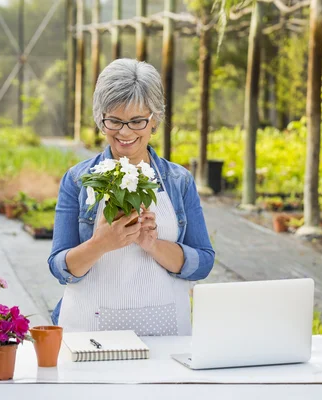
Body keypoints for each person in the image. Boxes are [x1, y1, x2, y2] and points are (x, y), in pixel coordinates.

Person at [48, 58, 214, 336]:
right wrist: (101, 243)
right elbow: (60, 268)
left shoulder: (178, 181)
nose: (124, 132)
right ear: (101, 120)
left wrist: (153, 245)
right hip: (90, 331)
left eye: (137, 121)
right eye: (114, 120)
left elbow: (203, 263)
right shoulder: (78, 180)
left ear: (155, 121)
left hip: (164, 332)